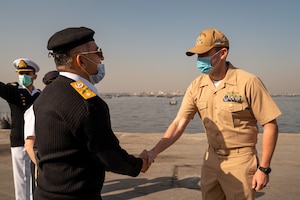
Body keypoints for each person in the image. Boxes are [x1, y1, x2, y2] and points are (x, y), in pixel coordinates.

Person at [146, 28, 282, 200]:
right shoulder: (196, 86)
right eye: (198, 56)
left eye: (204, 54)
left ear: (223, 53)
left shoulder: (248, 82)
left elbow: (270, 125)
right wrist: (154, 151)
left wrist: (263, 168)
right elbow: (179, 123)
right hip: (211, 160)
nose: (200, 60)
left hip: (240, 161)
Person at [32, 26, 148, 199]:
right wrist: (139, 165)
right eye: (97, 52)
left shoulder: (46, 94)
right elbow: (108, 154)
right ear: (81, 61)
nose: (102, 58)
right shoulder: (88, 104)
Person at [0, 58, 41, 200]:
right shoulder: (13, 91)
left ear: (34, 76)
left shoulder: (39, 95)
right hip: (19, 140)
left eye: (27, 73)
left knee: (35, 176)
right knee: (22, 178)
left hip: (36, 141)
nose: (23, 76)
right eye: (20, 73)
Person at [24, 70, 59, 188]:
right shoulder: (34, 109)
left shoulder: (65, 107)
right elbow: (29, 144)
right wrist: (43, 167)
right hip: (45, 168)